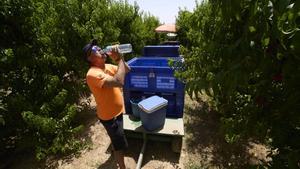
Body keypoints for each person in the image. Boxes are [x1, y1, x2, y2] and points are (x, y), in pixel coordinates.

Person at [83, 39, 131, 169]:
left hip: (119, 112)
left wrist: (119, 59)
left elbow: (127, 70)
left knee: (116, 139)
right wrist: (119, 59)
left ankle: (114, 146)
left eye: (99, 47)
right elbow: (119, 81)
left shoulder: (108, 66)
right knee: (120, 144)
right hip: (110, 117)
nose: (99, 49)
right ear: (90, 58)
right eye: (95, 49)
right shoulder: (92, 74)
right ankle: (122, 167)